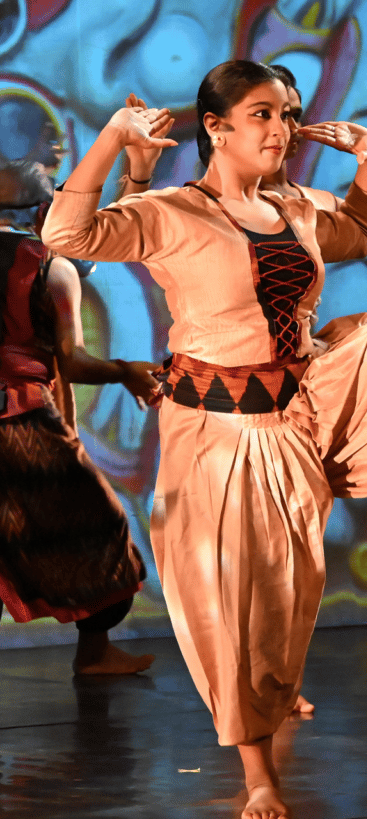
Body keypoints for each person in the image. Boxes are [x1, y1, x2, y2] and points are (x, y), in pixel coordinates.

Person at [42, 59, 367, 819]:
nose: (281, 128)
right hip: (218, 432)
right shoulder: (172, 211)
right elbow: (67, 231)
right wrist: (113, 137)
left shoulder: (297, 206)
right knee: (245, 606)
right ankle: (257, 774)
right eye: (263, 114)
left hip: (303, 407)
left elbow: (363, 227)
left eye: (288, 113)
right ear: (217, 127)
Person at [0, 160, 156, 676]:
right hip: (22, 427)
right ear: (44, 210)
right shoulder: (50, 267)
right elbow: (74, 361)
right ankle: (94, 651)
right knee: (103, 532)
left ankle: (96, 654)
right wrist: (124, 370)